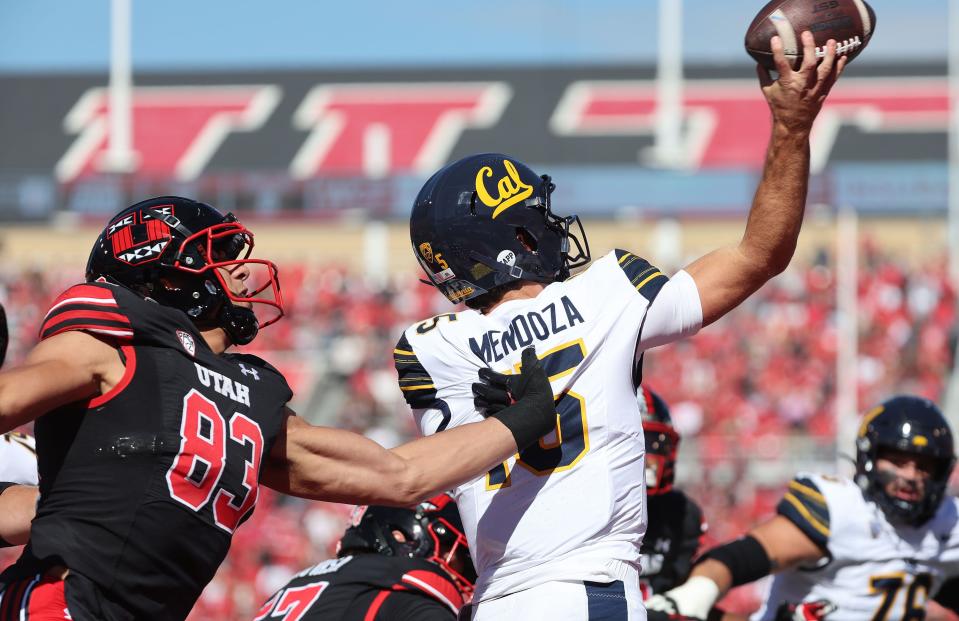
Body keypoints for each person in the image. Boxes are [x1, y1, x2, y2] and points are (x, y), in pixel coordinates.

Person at [395, 33, 846, 619]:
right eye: (537, 219)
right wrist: (792, 127)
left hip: (496, 601)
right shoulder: (607, 293)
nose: (554, 229)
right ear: (519, 238)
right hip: (589, 588)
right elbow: (760, 254)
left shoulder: (429, 351)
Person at [0, 196, 558, 621]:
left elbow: (399, 475)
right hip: (62, 603)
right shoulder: (109, 342)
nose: (244, 270)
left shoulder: (247, 392)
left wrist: (518, 420)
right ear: (164, 275)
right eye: (219, 256)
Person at [647, 395, 959, 621]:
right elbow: (740, 557)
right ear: (869, 457)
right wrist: (698, 592)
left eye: (924, 466)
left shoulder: (948, 525)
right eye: (898, 461)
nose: (910, 476)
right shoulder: (843, 509)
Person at [255, 493, 475, 620]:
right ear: (402, 535)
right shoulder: (399, 582)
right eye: (448, 548)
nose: (453, 562)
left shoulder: (300, 581)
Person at [636, 386, 707, 600]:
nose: (648, 455)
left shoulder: (682, 514)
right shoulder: (577, 508)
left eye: (655, 443)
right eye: (639, 442)